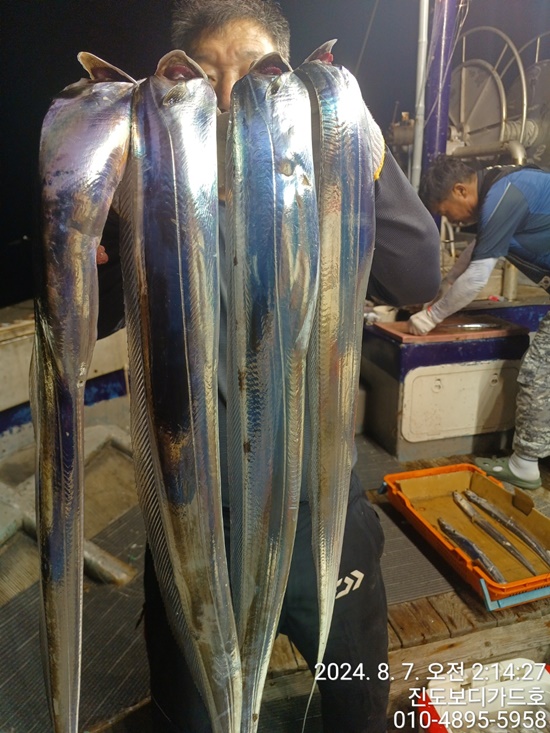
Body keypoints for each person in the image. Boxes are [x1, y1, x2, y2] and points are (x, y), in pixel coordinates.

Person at [97, 1, 441, 731]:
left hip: (318, 509)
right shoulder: (156, 194)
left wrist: (358, 142)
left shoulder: (327, 183)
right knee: (192, 710)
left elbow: (417, 276)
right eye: (206, 75)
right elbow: (93, 315)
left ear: (287, 79)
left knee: (353, 692)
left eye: (254, 73)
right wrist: (101, 218)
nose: (230, 96)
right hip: (196, 518)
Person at [409, 154, 550, 491]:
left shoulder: (504, 193)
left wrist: (430, 317)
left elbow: (475, 280)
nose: (450, 220)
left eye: (446, 211)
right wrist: (444, 288)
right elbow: (475, 251)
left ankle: (524, 465)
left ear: (460, 190)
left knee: (538, 372)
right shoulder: (500, 187)